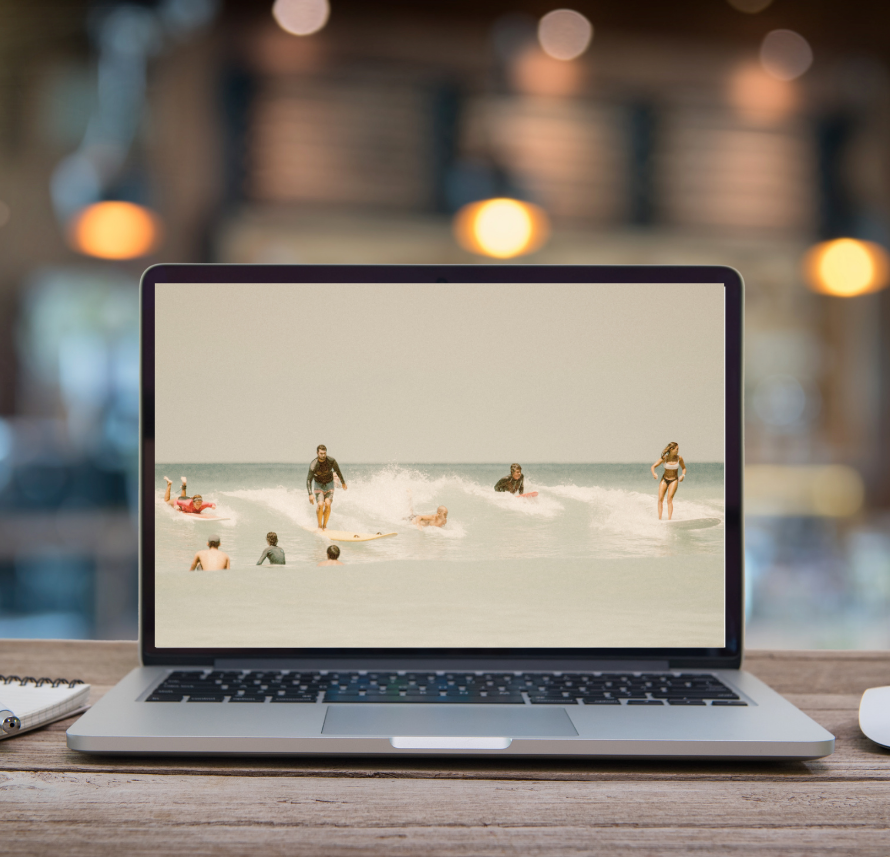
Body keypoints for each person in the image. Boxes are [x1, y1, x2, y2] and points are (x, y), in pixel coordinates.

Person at [307, 445, 348, 531]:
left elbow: (338, 471)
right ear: (317, 453)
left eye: (324, 453)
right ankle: (319, 526)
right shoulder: (314, 464)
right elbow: (309, 480)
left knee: (328, 504)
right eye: (321, 453)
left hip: (329, 484)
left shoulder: (331, 461)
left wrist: (343, 482)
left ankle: (324, 526)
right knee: (320, 504)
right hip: (318, 484)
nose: (323, 455)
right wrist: (310, 494)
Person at [650, 441, 687, 520]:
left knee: (669, 499)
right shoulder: (664, 458)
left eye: (678, 449)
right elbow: (653, 466)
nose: (678, 451)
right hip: (664, 479)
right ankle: (659, 519)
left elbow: (684, 468)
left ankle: (669, 519)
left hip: (674, 480)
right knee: (660, 499)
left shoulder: (679, 458)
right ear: (671, 449)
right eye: (677, 449)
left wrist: (683, 475)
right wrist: (654, 474)